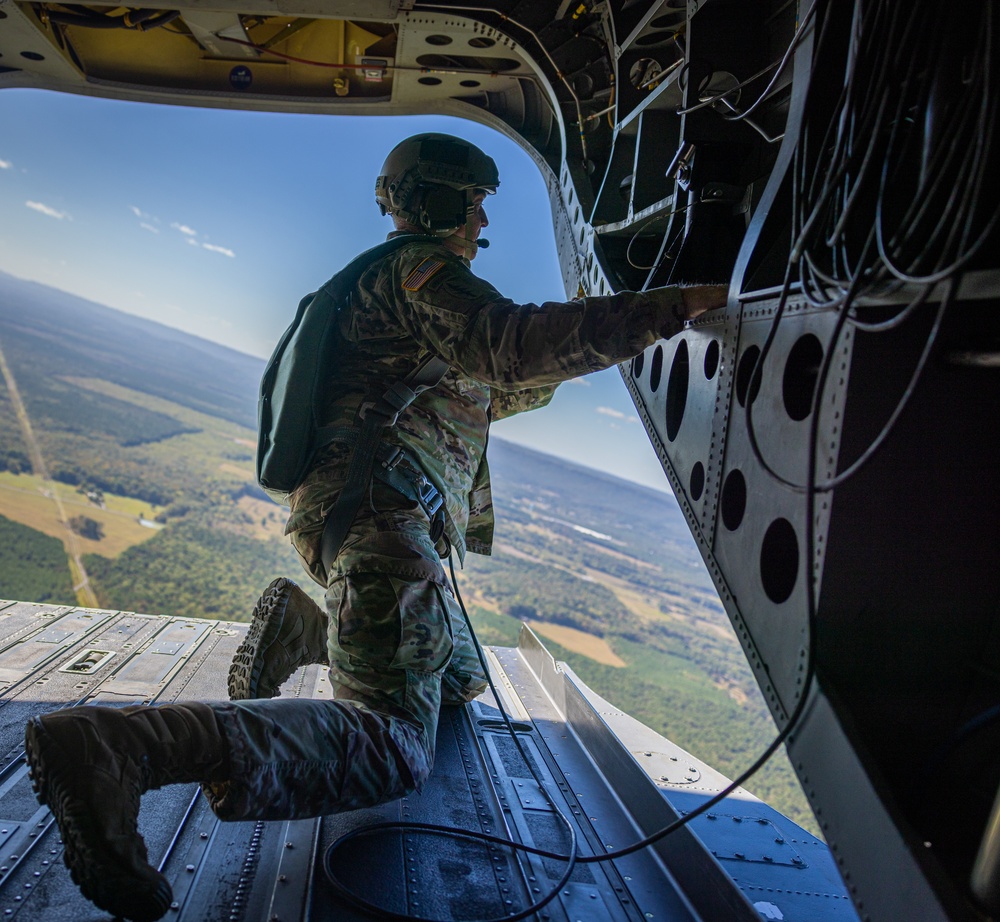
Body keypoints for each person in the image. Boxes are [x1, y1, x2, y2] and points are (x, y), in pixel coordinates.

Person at [24, 132, 726, 922]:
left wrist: (562, 356)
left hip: (373, 525)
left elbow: (499, 385)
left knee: (456, 682)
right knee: (394, 743)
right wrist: (669, 308)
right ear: (441, 199)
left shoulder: (399, 292)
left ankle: (306, 626)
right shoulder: (419, 273)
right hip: (380, 527)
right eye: (476, 199)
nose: (482, 217)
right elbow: (507, 347)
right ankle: (122, 748)